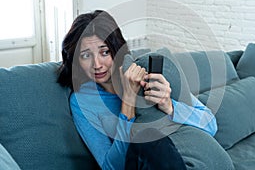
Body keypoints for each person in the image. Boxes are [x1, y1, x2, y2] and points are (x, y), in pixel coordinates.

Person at [57, 10, 217, 170]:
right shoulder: (82, 100)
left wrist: (169, 106)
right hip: (136, 163)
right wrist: (128, 103)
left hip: (177, 159)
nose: (97, 64)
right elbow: (110, 167)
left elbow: (210, 124)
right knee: (146, 135)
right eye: (86, 56)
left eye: (104, 52)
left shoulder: (144, 71)